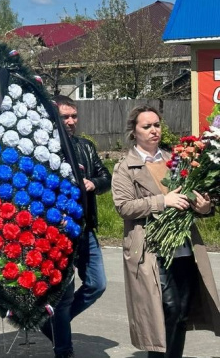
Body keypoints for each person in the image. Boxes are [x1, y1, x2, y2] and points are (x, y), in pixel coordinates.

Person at [111, 105, 220, 358]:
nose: (153, 130)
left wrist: (204, 206)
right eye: (146, 126)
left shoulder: (178, 158)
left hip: (182, 246)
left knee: (181, 311)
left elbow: (192, 199)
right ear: (134, 132)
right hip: (150, 249)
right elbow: (124, 207)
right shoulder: (125, 167)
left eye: (157, 125)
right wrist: (163, 201)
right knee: (166, 310)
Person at [40, 95, 111, 358]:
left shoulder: (86, 147)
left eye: (74, 116)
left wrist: (94, 183)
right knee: (64, 296)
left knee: (97, 284)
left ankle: (55, 325)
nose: (71, 122)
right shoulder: (44, 149)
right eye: (65, 117)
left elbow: (106, 177)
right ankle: (64, 349)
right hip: (58, 233)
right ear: (54, 118)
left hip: (85, 228)